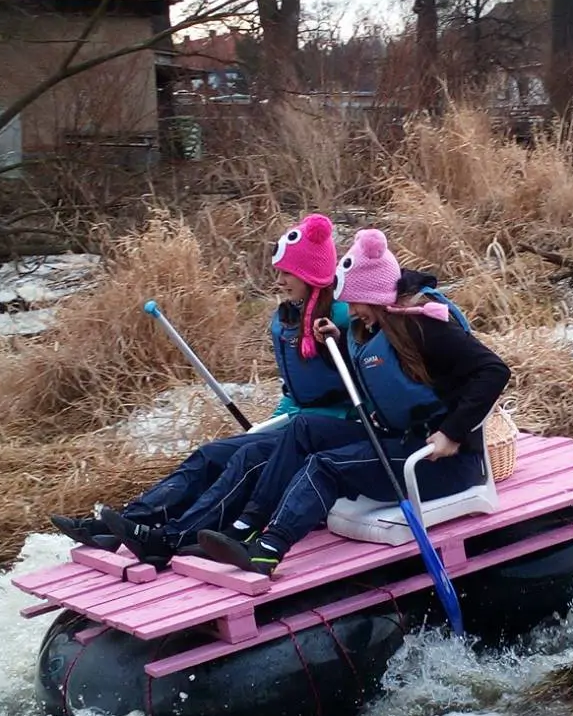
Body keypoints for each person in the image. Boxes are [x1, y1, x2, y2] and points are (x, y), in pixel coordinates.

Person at [196, 228, 511, 577]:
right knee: (303, 428)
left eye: (356, 302)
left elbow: (494, 371)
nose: (352, 310)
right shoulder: (376, 329)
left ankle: (269, 549)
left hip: (438, 462)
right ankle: (247, 526)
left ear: (374, 296)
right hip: (396, 440)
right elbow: (382, 375)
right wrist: (338, 343)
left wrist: (452, 433)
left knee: (325, 465)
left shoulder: (425, 327)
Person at [49, 213, 354, 565]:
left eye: (287, 273)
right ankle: (125, 522)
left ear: (310, 274)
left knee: (249, 459)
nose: (279, 280)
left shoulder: (343, 318)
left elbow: (361, 383)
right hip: (297, 424)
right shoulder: (285, 319)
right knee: (211, 453)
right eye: (279, 272)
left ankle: (171, 537)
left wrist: (336, 346)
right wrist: (265, 426)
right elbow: (294, 395)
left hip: (332, 429)